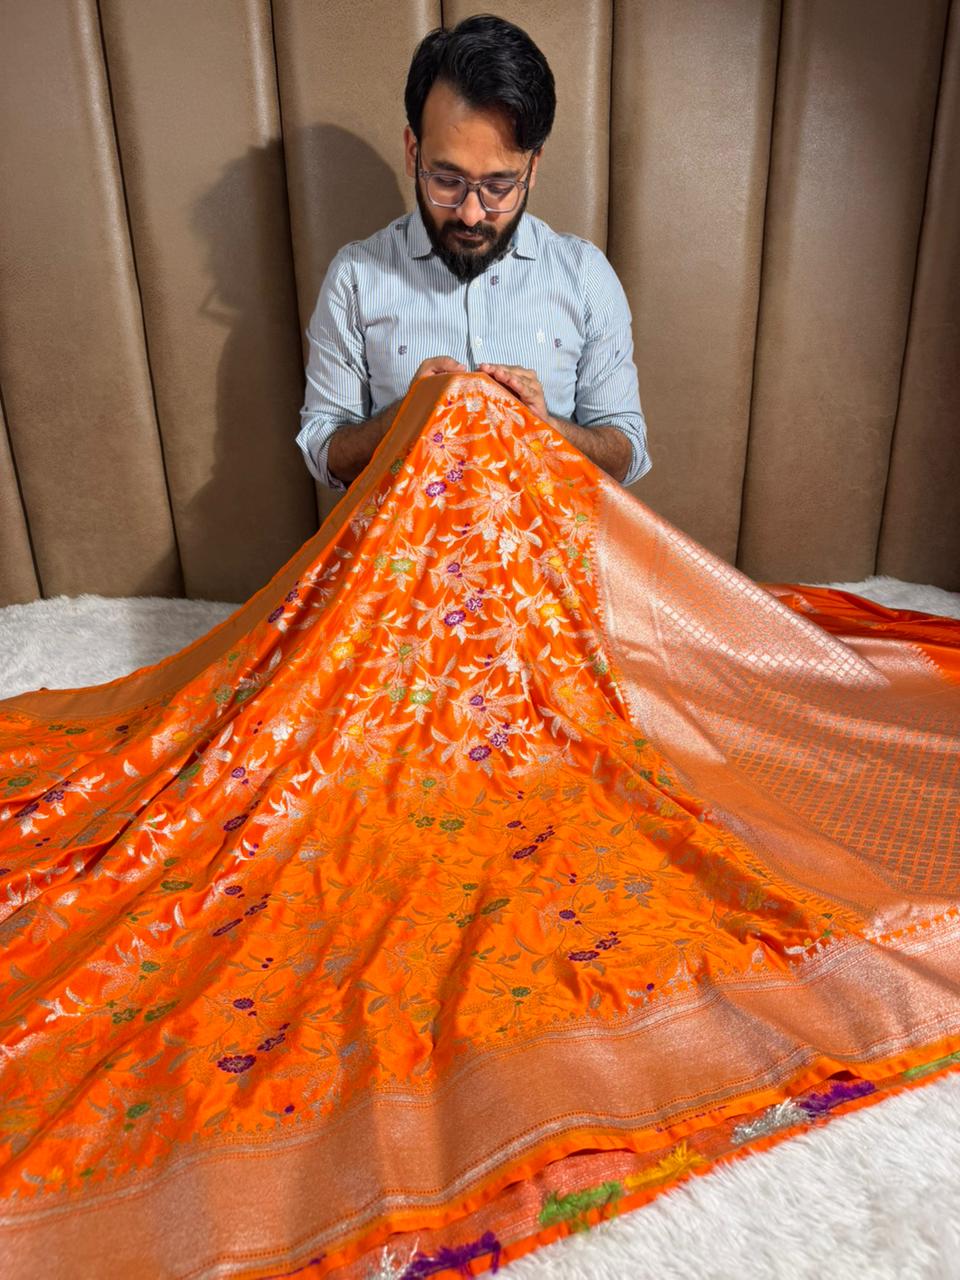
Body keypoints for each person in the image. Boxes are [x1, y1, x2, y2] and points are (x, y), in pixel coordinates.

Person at [296, 14, 650, 492]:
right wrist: (401, 421)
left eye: (499, 186)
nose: (469, 213)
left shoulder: (584, 275)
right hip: (403, 562)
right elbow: (323, 453)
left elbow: (626, 452)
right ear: (412, 152)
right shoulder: (355, 279)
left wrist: (547, 431)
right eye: (447, 180)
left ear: (533, 168)